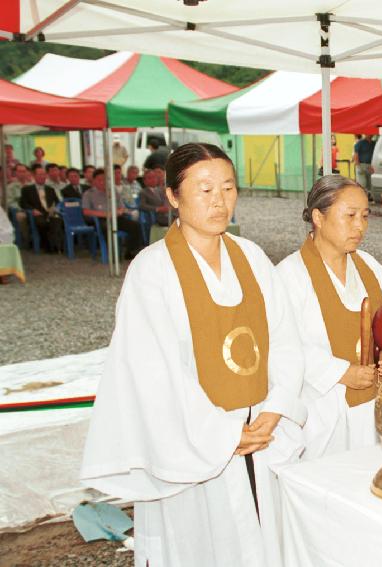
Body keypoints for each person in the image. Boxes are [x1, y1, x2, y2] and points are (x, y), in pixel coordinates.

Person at [80, 143, 306, 567]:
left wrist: (275, 409)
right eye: (204, 190)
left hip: (260, 429)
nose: (219, 201)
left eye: (227, 187)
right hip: (195, 438)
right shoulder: (153, 270)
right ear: (172, 196)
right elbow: (152, 372)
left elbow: (285, 341)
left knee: (264, 540)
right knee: (201, 545)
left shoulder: (253, 258)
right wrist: (221, 433)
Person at [277, 175, 382, 458]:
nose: (360, 226)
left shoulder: (368, 266)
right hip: (324, 411)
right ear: (319, 217)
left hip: (374, 407)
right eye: (350, 216)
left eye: (365, 216)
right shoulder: (289, 276)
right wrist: (342, 372)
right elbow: (283, 347)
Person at [82, 168, 144, 260]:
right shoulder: (88, 194)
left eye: (104, 179)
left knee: (135, 225)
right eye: (99, 180)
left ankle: (131, 252)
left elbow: (121, 206)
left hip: (116, 217)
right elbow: (86, 211)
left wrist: (119, 211)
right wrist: (104, 214)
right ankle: (114, 255)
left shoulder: (113, 191)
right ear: (94, 180)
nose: (102, 182)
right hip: (100, 219)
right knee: (107, 228)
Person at [19, 165, 63, 252]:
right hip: (37, 213)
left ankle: (56, 246)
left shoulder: (50, 189)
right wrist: (32, 210)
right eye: (39, 174)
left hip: (50, 212)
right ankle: (49, 245)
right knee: (42, 222)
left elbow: (58, 202)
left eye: (44, 174)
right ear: (34, 176)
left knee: (57, 221)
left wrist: (55, 209)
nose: (42, 176)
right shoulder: (27, 189)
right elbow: (23, 203)